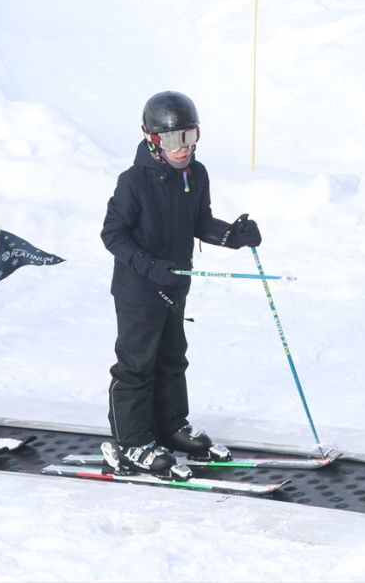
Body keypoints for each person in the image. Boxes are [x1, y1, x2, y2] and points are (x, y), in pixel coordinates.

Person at [99, 91, 262, 478]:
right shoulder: (134, 181)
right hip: (138, 290)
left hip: (175, 285)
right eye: (173, 140)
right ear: (153, 139)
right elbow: (112, 235)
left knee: (172, 358)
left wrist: (232, 236)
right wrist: (151, 266)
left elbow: (199, 223)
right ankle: (133, 441)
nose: (183, 148)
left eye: (190, 136)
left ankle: (171, 426)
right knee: (137, 366)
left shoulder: (195, 174)